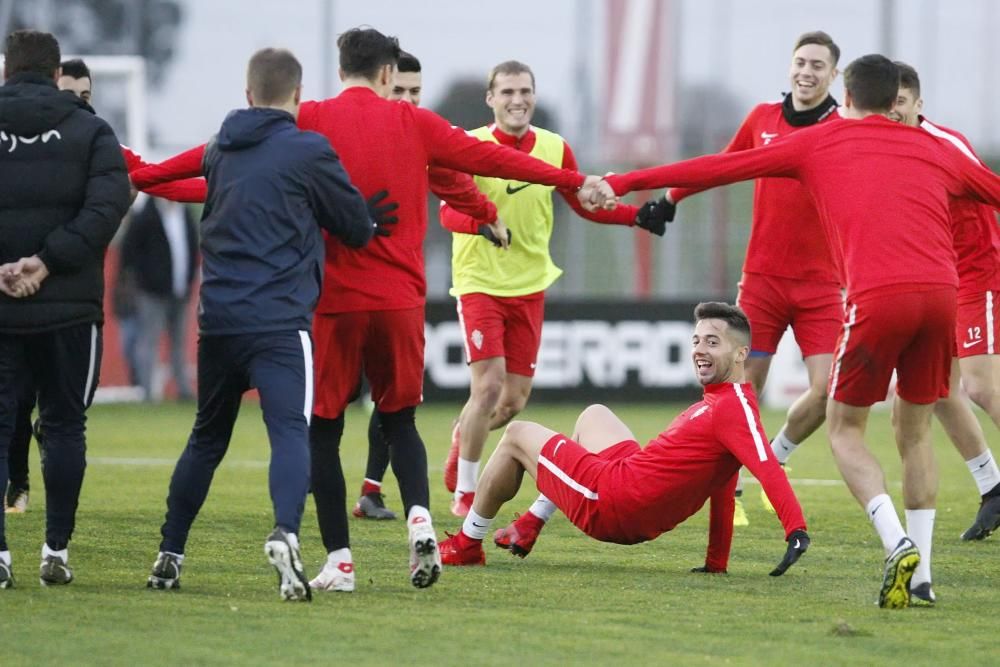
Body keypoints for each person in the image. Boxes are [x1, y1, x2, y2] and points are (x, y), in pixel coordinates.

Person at [129, 27, 602, 593]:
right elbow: (493, 161)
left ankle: (341, 562)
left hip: (332, 304)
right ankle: (421, 518)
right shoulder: (416, 123)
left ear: (340, 69)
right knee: (400, 421)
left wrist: (142, 172)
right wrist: (576, 180)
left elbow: (213, 169)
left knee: (323, 431)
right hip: (400, 303)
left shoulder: (309, 120)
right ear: (386, 75)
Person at [600, 55, 1000, 608]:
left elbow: (715, 169)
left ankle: (896, 543)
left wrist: (622, 181)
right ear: (895, 101)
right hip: (941, 297)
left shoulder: (822, 140)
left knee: (844, 429)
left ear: (849, 95)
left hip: (878, 298)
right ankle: (925, 575)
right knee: (916, 431)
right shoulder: (935, 147)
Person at [144, 47, 385, 601]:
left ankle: (170, 553)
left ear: (248, 94)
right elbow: (354, 226)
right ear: (298, 97)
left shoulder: (220, 151)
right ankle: (286, 533)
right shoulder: (307, 149)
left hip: (219, 321)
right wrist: (364, 218)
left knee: (206, 439)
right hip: (279, 323)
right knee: (289, 435)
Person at [439, 302, 809, 578]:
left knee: (516, 434)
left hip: (613, 501)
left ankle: (467, 545)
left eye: (713, 342)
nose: (699, 349)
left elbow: (766, 466)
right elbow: (723, 481)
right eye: (696, 340)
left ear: (741, 354)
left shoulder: (732, 409)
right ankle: (531, 523)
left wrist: (795, 530)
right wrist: (716, 563)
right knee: (594, 414)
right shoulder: (724, 404)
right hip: (629, 487)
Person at [441, 59, 660, 519]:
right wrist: (483, 224)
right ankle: (464, 490)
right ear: (491, 99)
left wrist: (634, 215)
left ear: (534, 96)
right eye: (507, 92)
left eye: (525, 91)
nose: (517, 100)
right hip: (480, 282)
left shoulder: (554, 147)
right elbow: (447, 212)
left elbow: (582, 205)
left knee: (513, 401)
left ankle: (464, 435)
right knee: (488, 387)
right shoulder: (470, 146)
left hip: (531, 284)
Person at [646, 31, 844, 522]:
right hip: (763, 282)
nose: (807, 71)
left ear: (834, 75)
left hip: (822, 287)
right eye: (800, 61)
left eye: (818, 65)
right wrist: (670, 198)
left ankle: (772, 459)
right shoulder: (762, 119)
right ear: (789, 66)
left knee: (828, 391)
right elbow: (720, 168)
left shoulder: (842, 129)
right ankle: (725, 494)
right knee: (740, 390)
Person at [351, 50, 506, 522]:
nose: (406, 100)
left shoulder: (422, 137)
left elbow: (454, 191)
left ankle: (370, 491)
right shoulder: (352, 137)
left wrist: (485, 216)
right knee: (329, 403)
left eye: (415, 92)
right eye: (398, 90)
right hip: (339, 286)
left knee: (395, 395)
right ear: (379, 84)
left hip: (397, 288)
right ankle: (305, 506)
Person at [0, 30, 131, 589]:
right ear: (58, 75)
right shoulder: (91, 129)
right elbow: (109, 206)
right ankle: (55, 548)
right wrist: (47, 264)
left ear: (7, 70)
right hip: (71, 312)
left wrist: (5, 268)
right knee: (64, 426)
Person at [890, 62, 1000, 547]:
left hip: (980, 272)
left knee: (980, 387)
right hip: (938, 280)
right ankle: (992, 487)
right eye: (886, 101)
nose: (892, 111)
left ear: (919, 104)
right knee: (934, 390)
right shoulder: (885, 152)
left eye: (901, 101)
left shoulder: (944, 143)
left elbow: (989, 191)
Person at [121, 196, 198, 402]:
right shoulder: (145, 216)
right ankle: (148, 392)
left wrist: (189, 280)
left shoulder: (185, 213)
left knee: (179, 343)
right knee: (148, 341)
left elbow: (192, 248)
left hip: (180, 290)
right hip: (152, 292)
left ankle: (182, 389)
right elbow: (129, 252)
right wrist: (143, 280)